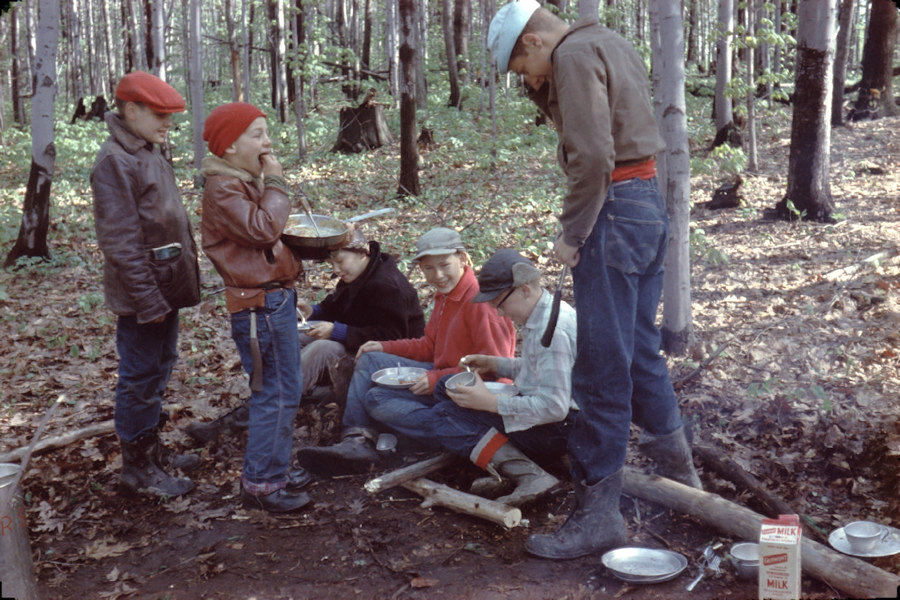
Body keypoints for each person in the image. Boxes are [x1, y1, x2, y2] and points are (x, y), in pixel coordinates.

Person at [488, 0, 702, 558]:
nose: (529, 80)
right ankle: (685, 480)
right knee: (637, 350)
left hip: (612, 211)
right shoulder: (604, 40)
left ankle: (599, 516)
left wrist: (572, 234)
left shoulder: (573, 57)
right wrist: (541, 87)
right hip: (646, 206)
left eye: (522, 69)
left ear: (534, 42)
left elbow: (592, 156)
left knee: (600, 369)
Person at [198, 101, 347, 512]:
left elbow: (271, 239)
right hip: (257, 308)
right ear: (229, 146)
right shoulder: (223, 188)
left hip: (273, 301)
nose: (267, 142)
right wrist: (277, 181)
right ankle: (262, 482)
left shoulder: (242, 181)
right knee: (276, 393)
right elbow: (264, 228)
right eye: (257, 134)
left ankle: (272, 468)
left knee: (285, 391)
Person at [358, 249, 579, 506]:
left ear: (525, 290)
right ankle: (474, 441)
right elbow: (536, 370)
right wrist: (495, 364)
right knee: (444, 390)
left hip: (562, 429)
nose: (499, 313)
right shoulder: (540, 313)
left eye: (500, 304)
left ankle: (530, 475)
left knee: (446, 418)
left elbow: (554, 407)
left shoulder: (552, 331)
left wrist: (491, 404)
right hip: (545, 412)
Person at [297, 228, 517, 475]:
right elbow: (428, 346)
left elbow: (494, 371)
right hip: (444, 378)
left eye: (445, 265)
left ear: (463, 259)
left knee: (381, 402)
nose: (438, 275)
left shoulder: (479, 303)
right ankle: (356, 440)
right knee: (372, 384)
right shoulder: (445, 296)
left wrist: (435, 380)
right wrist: (384, 346)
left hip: (473, 395)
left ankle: (460, 434)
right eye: (429, 268)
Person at [91, 71, 202, 499]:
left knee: (159, 369)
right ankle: (137, 469)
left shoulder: (147, 150)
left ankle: (153, 452)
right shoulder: (114, 161)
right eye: (160, 116)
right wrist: (148, 300)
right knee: (139, 377)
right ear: (131, 110)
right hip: (144, 296)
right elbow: (119, 242)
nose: (167, 125)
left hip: (164, 288)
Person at [296, 229, 426, 401]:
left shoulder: (387, 285)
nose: (335, 269)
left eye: (340, 261)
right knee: (296, 333)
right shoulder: (360, 273)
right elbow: (336, 306)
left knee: (322, 348)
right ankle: (283, 385)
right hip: (357, 343)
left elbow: (392, 337)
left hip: (392, 360)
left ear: (363, 252)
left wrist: (337, 332)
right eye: (330, 264)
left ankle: (281, 398)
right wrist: (312, 312)